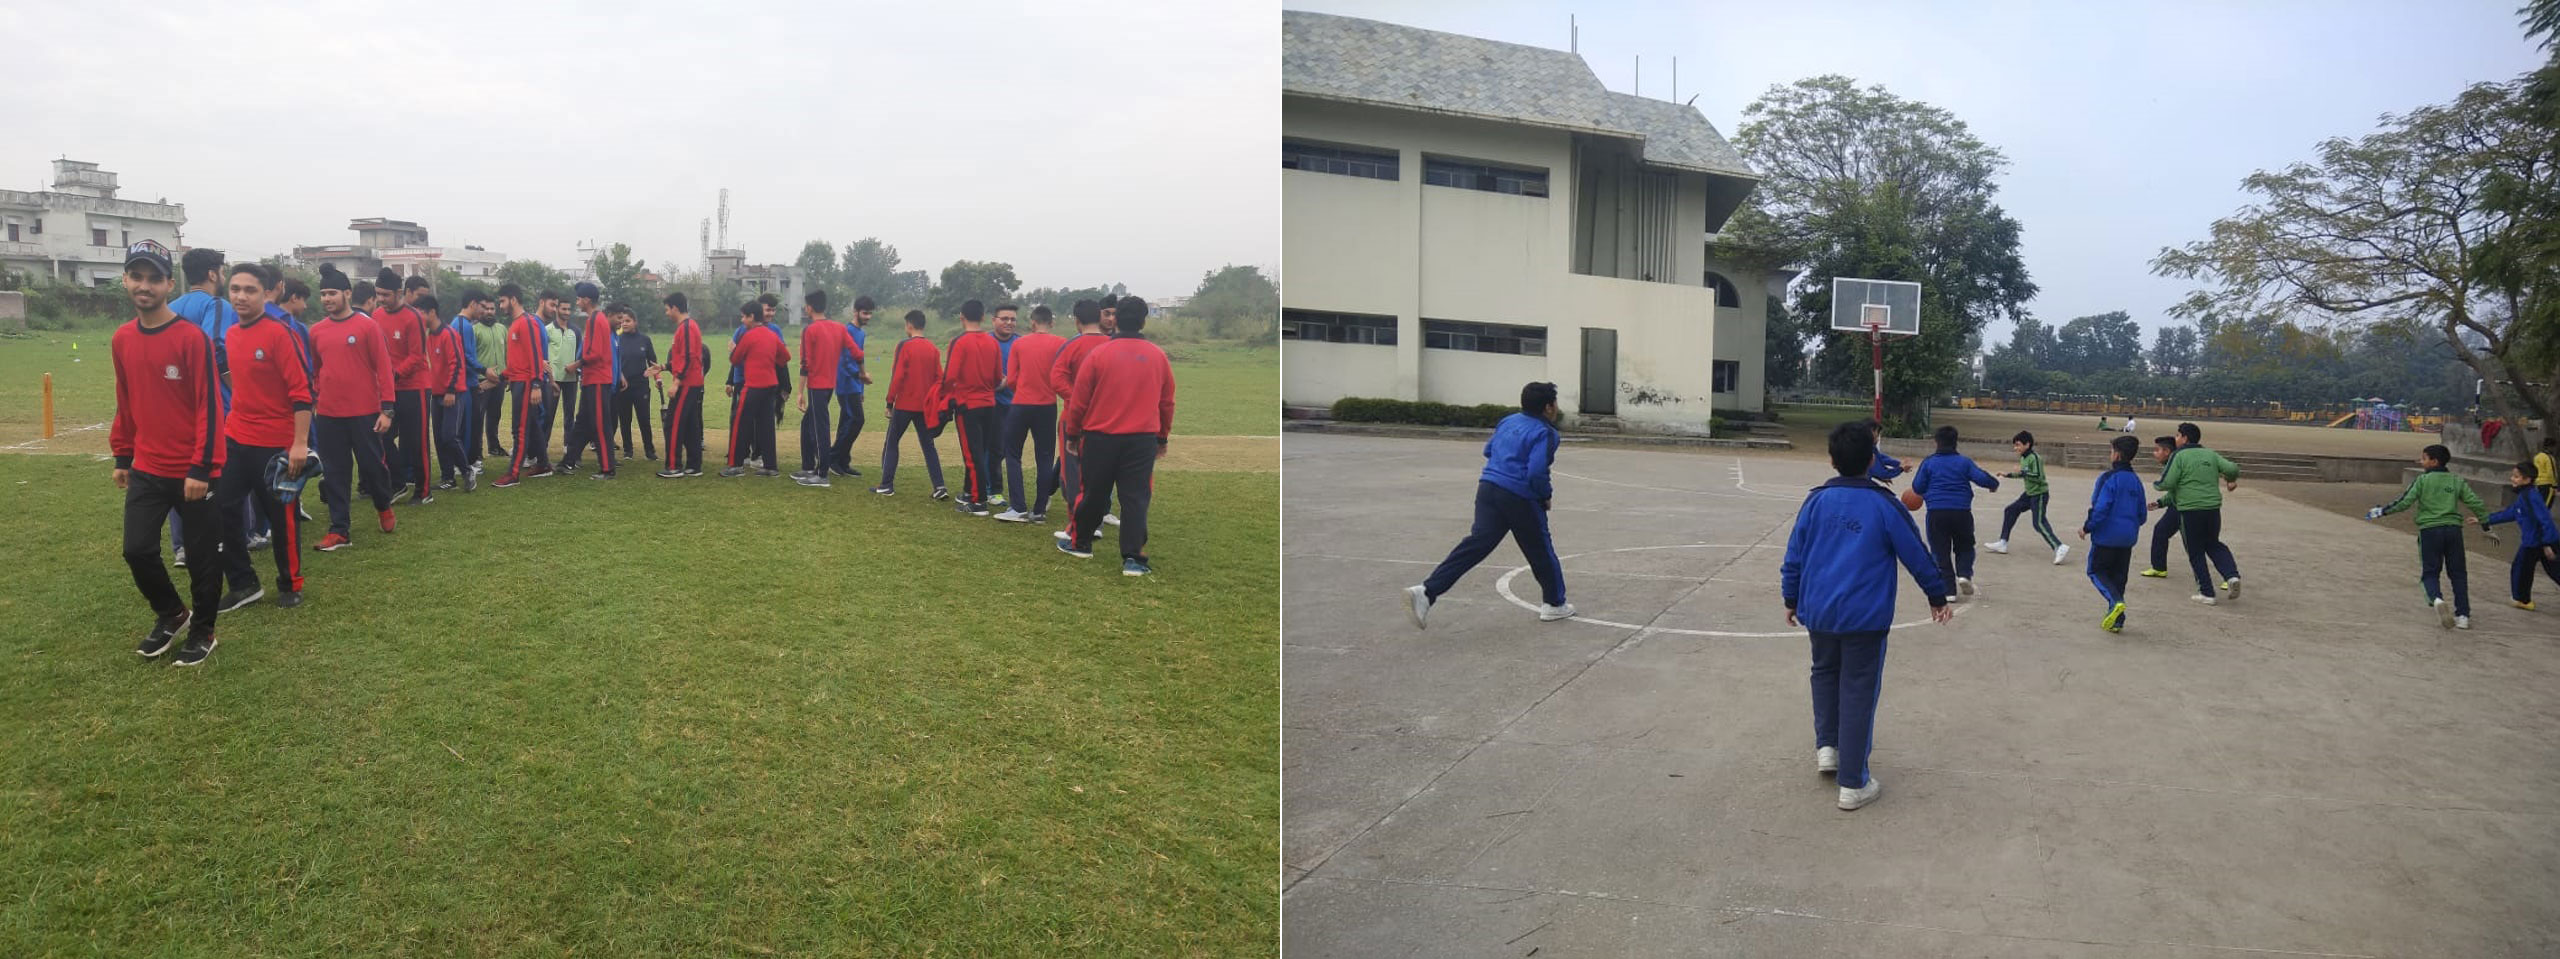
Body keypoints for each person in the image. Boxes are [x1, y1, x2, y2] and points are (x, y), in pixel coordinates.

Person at [1779, 420, 1953, 812]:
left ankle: (1828, 747)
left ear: (1831, 460)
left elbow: (1795, 554)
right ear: (1872, 460)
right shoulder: (1884, 505)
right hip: (1865, 617)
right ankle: (1853, 782)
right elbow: (1916, 553)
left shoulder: (1815, 501)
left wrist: (1791, 596)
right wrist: (1936, 595)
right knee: (1857, 689)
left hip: (1820, 611)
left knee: (1824, 673)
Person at [109, 240, 231, 666]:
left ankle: (204, 631)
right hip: (147, 466)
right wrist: (123, 455)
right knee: (137, 549)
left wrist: (201, 467)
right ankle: (173, 614)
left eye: (153, 278)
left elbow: (209, 406)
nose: (144, 286)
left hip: (194, 471)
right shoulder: (123, 338)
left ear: (168, 285)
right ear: (125, 280)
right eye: (136, 276)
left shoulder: (190, 338)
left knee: (201, 558)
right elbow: (126, 400)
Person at [1402, 381, 1570, 623]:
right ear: (1548, 407)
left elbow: (1489, 450)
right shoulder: (1545, 433)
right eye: (1555, 403)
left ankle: (1426, 592)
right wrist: (1545, 495)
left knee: (1476, 544)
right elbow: (1536, 471)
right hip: (1519, 496)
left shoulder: (1508, 421)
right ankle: (1554, 603)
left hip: (1488, 488)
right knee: (1540, 550)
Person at [211, 262, 314, 613]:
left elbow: (302, 392)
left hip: (275, 445)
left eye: (250, 290)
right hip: (237, 437)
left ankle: (290, 583)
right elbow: (236, 377)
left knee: (281, 517)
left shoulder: (280, 333)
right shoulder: (232, 334)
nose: (241, 296)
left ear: (266, 293)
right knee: (222, 507)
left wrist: (299, 443)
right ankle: (244, 584)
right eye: (235, 289)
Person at [1058, 296, 1176, 576]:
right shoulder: (1157, 356)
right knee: (1135, 497)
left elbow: (1080, 400)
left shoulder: (1098, 354)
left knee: (1093, 493)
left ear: (1114, 320)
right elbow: (1166, 402)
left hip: (1100, 437)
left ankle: (1081, 544)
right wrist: (1162, 438)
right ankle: (1133, 558)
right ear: (1144, 321)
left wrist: (1073, 434)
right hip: (1141, 439)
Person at [307, 265, 399, 550]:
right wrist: (316, 399)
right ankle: (339, 530)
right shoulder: (316, 331)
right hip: (329, 415)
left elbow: (384, 368)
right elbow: (316, 371)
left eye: (332, 293)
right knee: (335, 471)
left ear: (347, 293)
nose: (327, 298)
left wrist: (387, 409)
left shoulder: (367, 326)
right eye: (323, 294)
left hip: (364, 413)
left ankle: (383, 505)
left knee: (372, 467)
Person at [163, 247, 243, 567]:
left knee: (181, 473)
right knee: (218, 475)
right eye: (222, 272)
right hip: (213, 404)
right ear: (213, 274)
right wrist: (236, 389)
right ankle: (218, 539)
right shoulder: (216, 305)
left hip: (175, 404)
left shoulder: (171, 307)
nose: (223, 277)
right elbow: (216, 347)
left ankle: (183, 546)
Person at [2368, 444, 2492, 629]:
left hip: (2430, 530)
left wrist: (2383, 511)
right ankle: (2463, 615)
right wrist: (2485, 523)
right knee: (2458, 573)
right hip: (2453, 530)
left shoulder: (2422, 480)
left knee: (2430, 572)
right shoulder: (2456, 480)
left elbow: (2405, 501)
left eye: (2424, 458)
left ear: (2434, 461)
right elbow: (2475, 502)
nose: (2421, 461)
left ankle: (2437, 599)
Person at [2152, 422, 2243, 606]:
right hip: (2212, 508)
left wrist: (2157, 485)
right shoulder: (2210, 454)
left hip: (2190, 509)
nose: (2176, 439)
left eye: (2178, 435)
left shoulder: (2179, 455)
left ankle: (2207, 592)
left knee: (2195, 551)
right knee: (2213, 543)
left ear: (2185, 438)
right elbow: (2232, 469)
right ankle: (2231, 575)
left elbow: (2168, 482)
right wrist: (2231, 479)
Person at [1909, 425, 1998, 602]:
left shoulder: (1929, 462)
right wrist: (1993, 484)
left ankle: (1949, 590)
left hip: (1936, 513)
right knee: (1965, 546)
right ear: (1956, 442)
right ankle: (1964, 574)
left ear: (1936, 442)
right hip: (1961, 512)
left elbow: (1917, 487)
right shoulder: (1964, 462)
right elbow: (1982, 478)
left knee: (1940, 551)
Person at [996, 304, 1066, 523]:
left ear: (1032, 322)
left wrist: (1023, 388)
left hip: (1021, 404)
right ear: (1051, 323)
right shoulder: (1061, 344)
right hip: (1047, 406)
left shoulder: (1020, 343)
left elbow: (1012, 379)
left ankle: (1018, 507)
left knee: (1012, 454)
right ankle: (1039, 510)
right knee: (1044, 457)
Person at [1050, 300, 1118, 526]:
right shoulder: (1113, 345)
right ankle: (1095, 521)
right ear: (1100, 318)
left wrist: (1076, 398)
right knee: (1100, 470)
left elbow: (1056, 378)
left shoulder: (1071, 346)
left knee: (1072, 471)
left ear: (1077, 321)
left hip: (1074, 418)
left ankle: (1079, 523)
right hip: (1106, 419)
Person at [874, 310, 947, 497]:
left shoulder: (904, 346)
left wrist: (889, 401)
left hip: (905, 404)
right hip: (924, 406)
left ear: (909, 325)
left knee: (892, 442)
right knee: (928, 445)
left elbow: (898, 376)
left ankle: (886, 484)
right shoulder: (933, 349)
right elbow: (940, 378)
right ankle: (939, 486)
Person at [2079, 435, 2148, 633]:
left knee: (2095, 571)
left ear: (2116, 455)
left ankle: (2115, 601)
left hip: (2106, 537)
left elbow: (2099, 507)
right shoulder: (2136, 481)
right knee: (2119, 578)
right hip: (2127, 539)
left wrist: (2087, 527)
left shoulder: (2107, 478)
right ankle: (2118, 621)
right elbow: (2142, 514)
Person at [941, 299, 1003, 514]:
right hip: (989, 404)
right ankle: (969, 491)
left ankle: (978, 501)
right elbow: (997, 377)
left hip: (968, 404)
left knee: (971, 453)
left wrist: (943, 396)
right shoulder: (992, 342)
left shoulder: (959, 342)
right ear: (983, 317)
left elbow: (950, 376)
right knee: (980, 450)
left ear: (961, 317)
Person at [377, 270, 433, 503]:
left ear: (399, 293)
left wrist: (395, 374)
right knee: (382, 436)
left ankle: (424, 490)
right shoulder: (376, 316)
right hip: (390, 389)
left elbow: (416, 356)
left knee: (416, 442)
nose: (381, 299)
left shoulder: (413, 317)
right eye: (378, 294)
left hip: (414, 387)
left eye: (386, 295)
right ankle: (398, 483)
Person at [491, 284, 555, 487]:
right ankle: (543, 464)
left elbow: (535, 355)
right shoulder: (515, 324)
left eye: (502, 301)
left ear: (513, 300)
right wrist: (499, 377)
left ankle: (513, 474)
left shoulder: (527, 323)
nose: (501, 306)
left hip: (527, 384)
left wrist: (536, 384)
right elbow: (516, 362)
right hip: (518, 382)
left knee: (519, 429)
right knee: (532, 425)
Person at [2481, 459, 2560, 611]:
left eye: (2516, 476)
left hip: (2539, 542)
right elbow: (2511, 513)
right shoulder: (2524, 496)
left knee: (2522, 569)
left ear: (2527, 479)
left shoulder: (2532, 496)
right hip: (2536, 541)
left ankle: (2522, 600)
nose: (2512, 479)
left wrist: (2547, 544)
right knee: (2535, 570)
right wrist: (2484, 519)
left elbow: (2545, 520)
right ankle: (2522, 599)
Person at [723, 299, 790, 477]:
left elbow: (735, 360)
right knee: (766, 426)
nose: (742, 320)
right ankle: (770, 466)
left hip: (753, 386)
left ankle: (735, 465)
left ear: (752, 316)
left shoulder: (748, 336)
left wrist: (733, 349)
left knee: (740, 423)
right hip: (770, 386)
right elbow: (785, 357)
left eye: (744, 317)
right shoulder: (772, 335)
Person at [793, 290, 853, 487]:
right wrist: (861, 372)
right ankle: (808, 467)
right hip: (829, 385)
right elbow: (855, 351)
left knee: (820, 428)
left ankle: (822, 474)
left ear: (809, 308)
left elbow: (805, 363)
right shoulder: (839, 328)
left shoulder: (810, 330)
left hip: (817, 385)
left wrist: (800, 392)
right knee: (808, 424)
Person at [1986, 430, 2066, 565]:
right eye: (2015, 445)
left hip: (2039, 494)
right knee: (2010, 510)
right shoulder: (2024, 458)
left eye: (2018, 445)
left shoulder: (2035, 458)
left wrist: (2023, 472)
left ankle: (2059, 546)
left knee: (2038, 523)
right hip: (2029, 494)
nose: (2015, 448)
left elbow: (2038, 477)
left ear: (2027, 444)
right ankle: (2003, 542)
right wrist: (2007, 474)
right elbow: (2023, 474)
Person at [422, 294, 474, 494]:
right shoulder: (430, 336)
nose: (419, 318)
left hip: (452, 394)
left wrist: (451, 390)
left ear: (432, 312)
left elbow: (457, 362)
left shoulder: (448, 334)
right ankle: (448, 477)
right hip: (436, 394)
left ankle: (467, 471)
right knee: (439, 438)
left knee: (450, 436)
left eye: (421, 313)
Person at [654, 293, 708, 478]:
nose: (666, 313)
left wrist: (676, 383)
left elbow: (688, 358)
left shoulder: (686, 328)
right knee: (690, 425)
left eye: (667, 309)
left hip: (686, 383)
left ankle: (673, 466)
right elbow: (680, 358)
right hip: (691, 382)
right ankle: (694, 465)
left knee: (673, 424)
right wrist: (663, 367)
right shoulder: (686, 327)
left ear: (675, 308)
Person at [825, 295, 876, 479]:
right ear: (855, 312)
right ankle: (832, 458)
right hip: (845, 384)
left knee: (847, 423)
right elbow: (845, 361)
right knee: (857, 420)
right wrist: (859, 377)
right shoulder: (847, 331)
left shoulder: (861, 333)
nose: (868, 317)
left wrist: (861, 388)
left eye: (870, 313)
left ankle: (843, 462)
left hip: (855, 385)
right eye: (865, 313)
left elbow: (859, 359)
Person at [611, 306, 657, 462]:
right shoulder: (617, 339)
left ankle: (649, 451)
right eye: (622, 321)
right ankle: (628, 450)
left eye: (628, 321)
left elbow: (653, 362)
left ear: (635, 322)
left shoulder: (645, 340)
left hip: (641, 385)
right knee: (625, 419)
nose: (624, 323)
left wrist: (657, 378)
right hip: (623, 386)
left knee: (644, 419)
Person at [988, 304, 1020, 508]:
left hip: (1017, 403)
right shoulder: (986, 341)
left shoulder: (1021, 342)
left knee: (1012, 450)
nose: (1009, 322)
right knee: (994, 448)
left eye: (1012, 319)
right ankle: (993, 490)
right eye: (1004, 318)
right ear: (994, 320)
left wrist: (1010, 381)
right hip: (992, 404)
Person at [2138, 436, 2183, 578]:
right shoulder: (2176, 462)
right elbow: (2175, 491)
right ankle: (2159, 567)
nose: (2154, 453)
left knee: (2200, 543)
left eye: (2157, 450)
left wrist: (2158, 486)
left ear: (2167, 451)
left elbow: (2166, 485)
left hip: (2184, 507)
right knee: (2161, 531)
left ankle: (2228, 574)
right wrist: (2160, 503)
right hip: (2179, 505)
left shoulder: (2175, 464)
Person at [473, 294, 510, 460]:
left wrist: (507, 376)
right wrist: (482, 374)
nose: (489, 311)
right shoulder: (474, 330)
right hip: (482, 381)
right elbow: (471, 357)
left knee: (495, 414)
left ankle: (494, 447)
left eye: (492, 309)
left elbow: (507, 353)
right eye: (486, 308)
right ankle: (477, 451)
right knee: (478, 416)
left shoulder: (502, 329)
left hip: (500, 380)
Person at [1864, 420, 1903, 486]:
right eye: (1877, 433)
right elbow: (1882, 473)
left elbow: (1881, 459)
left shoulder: (1865, 447)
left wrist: (1899, 464)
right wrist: (1901, 468)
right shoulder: (1869, 451)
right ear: (1871, 431)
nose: (1878, 437)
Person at [2536, 436, 2557, 510]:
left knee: (2540, 504)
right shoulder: (2549, 457)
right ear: (2550, 447)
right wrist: (2554, 485)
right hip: (2548, 484)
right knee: (2546, 506)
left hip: (2539, 483)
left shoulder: (2537, 457)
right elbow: (2551, 472)